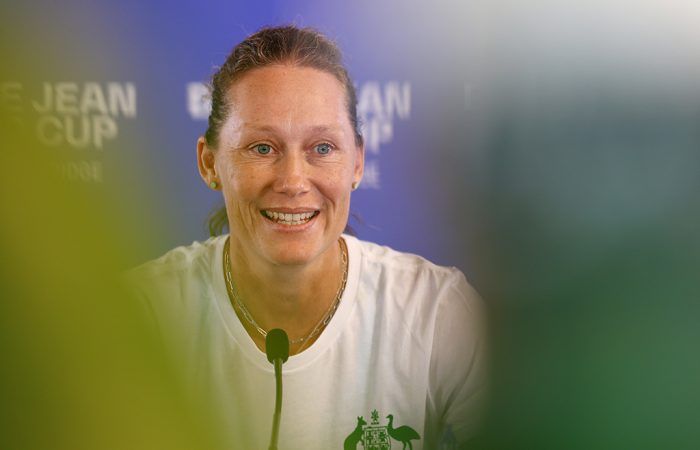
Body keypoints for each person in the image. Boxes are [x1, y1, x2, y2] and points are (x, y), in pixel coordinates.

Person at [127, 25, 485, 450]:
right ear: (209, 163)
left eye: (322, 148)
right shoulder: (140, 315)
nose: (293, 182)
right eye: (262, 148)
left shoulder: (436, 311)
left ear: (357, 163)